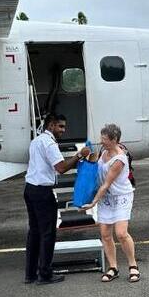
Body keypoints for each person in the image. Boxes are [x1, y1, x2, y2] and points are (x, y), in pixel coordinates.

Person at [23, 113, 90, 285]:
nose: (63, 130)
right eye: (60, 126)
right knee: (48, 233)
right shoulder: (49, 143)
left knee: (34, 232)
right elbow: (61, 168)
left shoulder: (36, 141)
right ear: (51, 126)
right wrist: (79, 155)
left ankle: (30, 274)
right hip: (42, 192)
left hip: (30, 189)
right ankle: (45, 274)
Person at [81, 124, 140, 283]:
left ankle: (133, 266)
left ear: (114, 140)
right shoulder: (104, 152)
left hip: (121, 196)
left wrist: (93, 203)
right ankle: (113, 268)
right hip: (106, 197)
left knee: (121, 233)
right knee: (105, 235)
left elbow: (106, 183)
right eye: (101, 138)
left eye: (105, 139)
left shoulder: (119, 159)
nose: (102, 142)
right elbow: (96, 171)